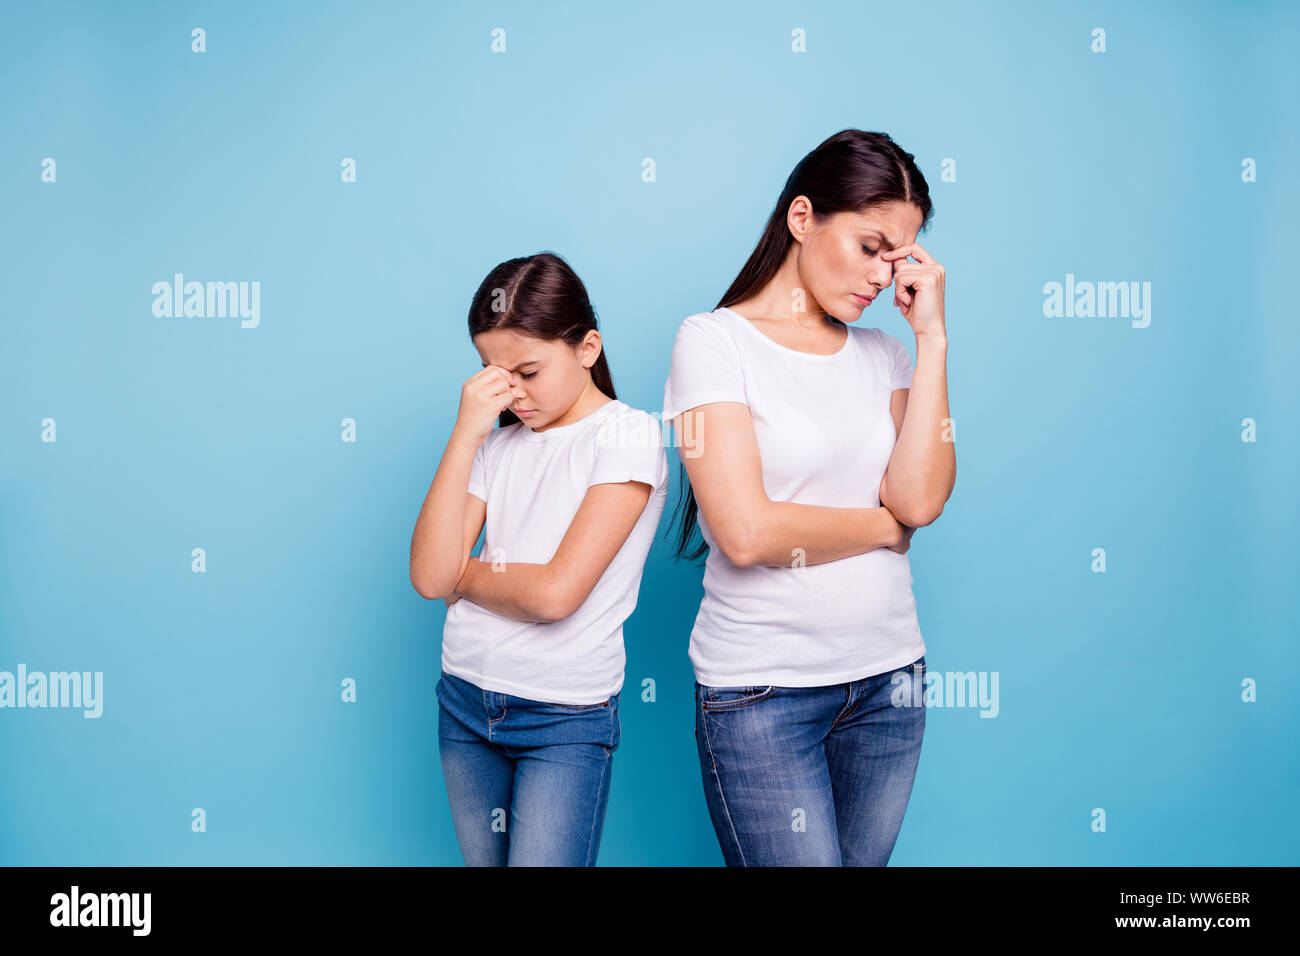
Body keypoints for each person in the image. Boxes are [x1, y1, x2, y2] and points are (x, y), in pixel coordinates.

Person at [661, 129, 956, 866]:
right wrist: (879, 529)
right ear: (803, 218)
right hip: (765, 697)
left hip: (891, 685)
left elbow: (918, 502)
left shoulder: (886, 353)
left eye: (899, 258)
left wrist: (933, 340)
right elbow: (747, 532)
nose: (884, 278)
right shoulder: (712, 343)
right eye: (869, 246)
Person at [410, 251, 669, 866]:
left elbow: (556, 594)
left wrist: (466, 575)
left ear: (586, 348)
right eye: (492, 374)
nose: (511, 393)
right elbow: (427, 575)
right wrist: (465, 431)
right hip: (466, 699)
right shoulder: (495, 445)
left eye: (527, 370)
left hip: (563, 716)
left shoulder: (626, 435)